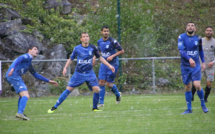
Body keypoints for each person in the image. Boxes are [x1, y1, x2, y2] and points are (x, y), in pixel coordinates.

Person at [47, 32, 115, 113]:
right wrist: (65, 68)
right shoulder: (77, 48)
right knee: (68, 90)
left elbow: (100, 58)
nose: (86, 38)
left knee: (97, 89)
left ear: (89, 38)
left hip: (90, 73)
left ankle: (95, 108)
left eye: (87, 36)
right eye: (84, 37)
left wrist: (109, 66)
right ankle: (54, 107)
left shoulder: (93, 48)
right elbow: (71, 59)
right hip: (78, 73)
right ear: (81, 39)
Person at [5, 46, 59, 121]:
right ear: (29, 50)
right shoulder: (27, 56)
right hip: (14, 76)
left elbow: (35, 74)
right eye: (35, 49)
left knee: (22, 95)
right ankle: (20, 113)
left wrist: (49, 81)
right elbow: (19, 59)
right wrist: (13, 68)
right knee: (26, 95)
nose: (37, 51)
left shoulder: (29, 62)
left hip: (13, 77)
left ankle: (20, 113)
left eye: (37, 49)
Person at [178, 22, 208, 114]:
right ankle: (189, 109)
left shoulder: (198, 38)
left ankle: (203, 105)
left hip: (195, 66)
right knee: (187, 86)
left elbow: (200, 51)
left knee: (197, 85)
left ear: (195, 28)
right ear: (186, 28)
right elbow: (181, 51)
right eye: (189, 26)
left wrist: (203, 62)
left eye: (192, 26)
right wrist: (189, 59)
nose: (190, 27)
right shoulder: (181, 37)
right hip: (185, 66)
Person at [96, 25, 124, 107]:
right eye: (104, 31)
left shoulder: (113, 41)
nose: (106, 33)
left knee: (109, 84)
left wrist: (112, 56)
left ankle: (117, 94)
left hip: (113, 64)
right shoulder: (99, 42)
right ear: (101, 32)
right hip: (104, 64)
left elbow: (122, 51)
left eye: (107, 31)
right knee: (101, 82)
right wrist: (94, 58)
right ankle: (101, 102)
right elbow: (99, 52)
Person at [192, 26, 215, 102]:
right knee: (196, 82)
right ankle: (191, 97)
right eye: (207, 30)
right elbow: (195, 52)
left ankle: (205, 99)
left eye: (210, 31)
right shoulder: (200, 41)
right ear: (205, 32)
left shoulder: (214, 42)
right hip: (200, 65)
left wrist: (213, 62)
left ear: (212, 32)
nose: (209, 32)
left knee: (208, 83)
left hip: (210, 66)